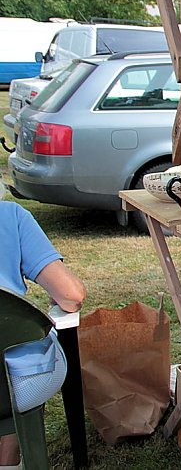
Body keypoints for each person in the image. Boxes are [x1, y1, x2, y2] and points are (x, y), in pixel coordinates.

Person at [0, 183, 87, 468]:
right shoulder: (10, 216)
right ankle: (10, 456)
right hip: (15, 385)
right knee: (15, 376)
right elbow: (71, 296)